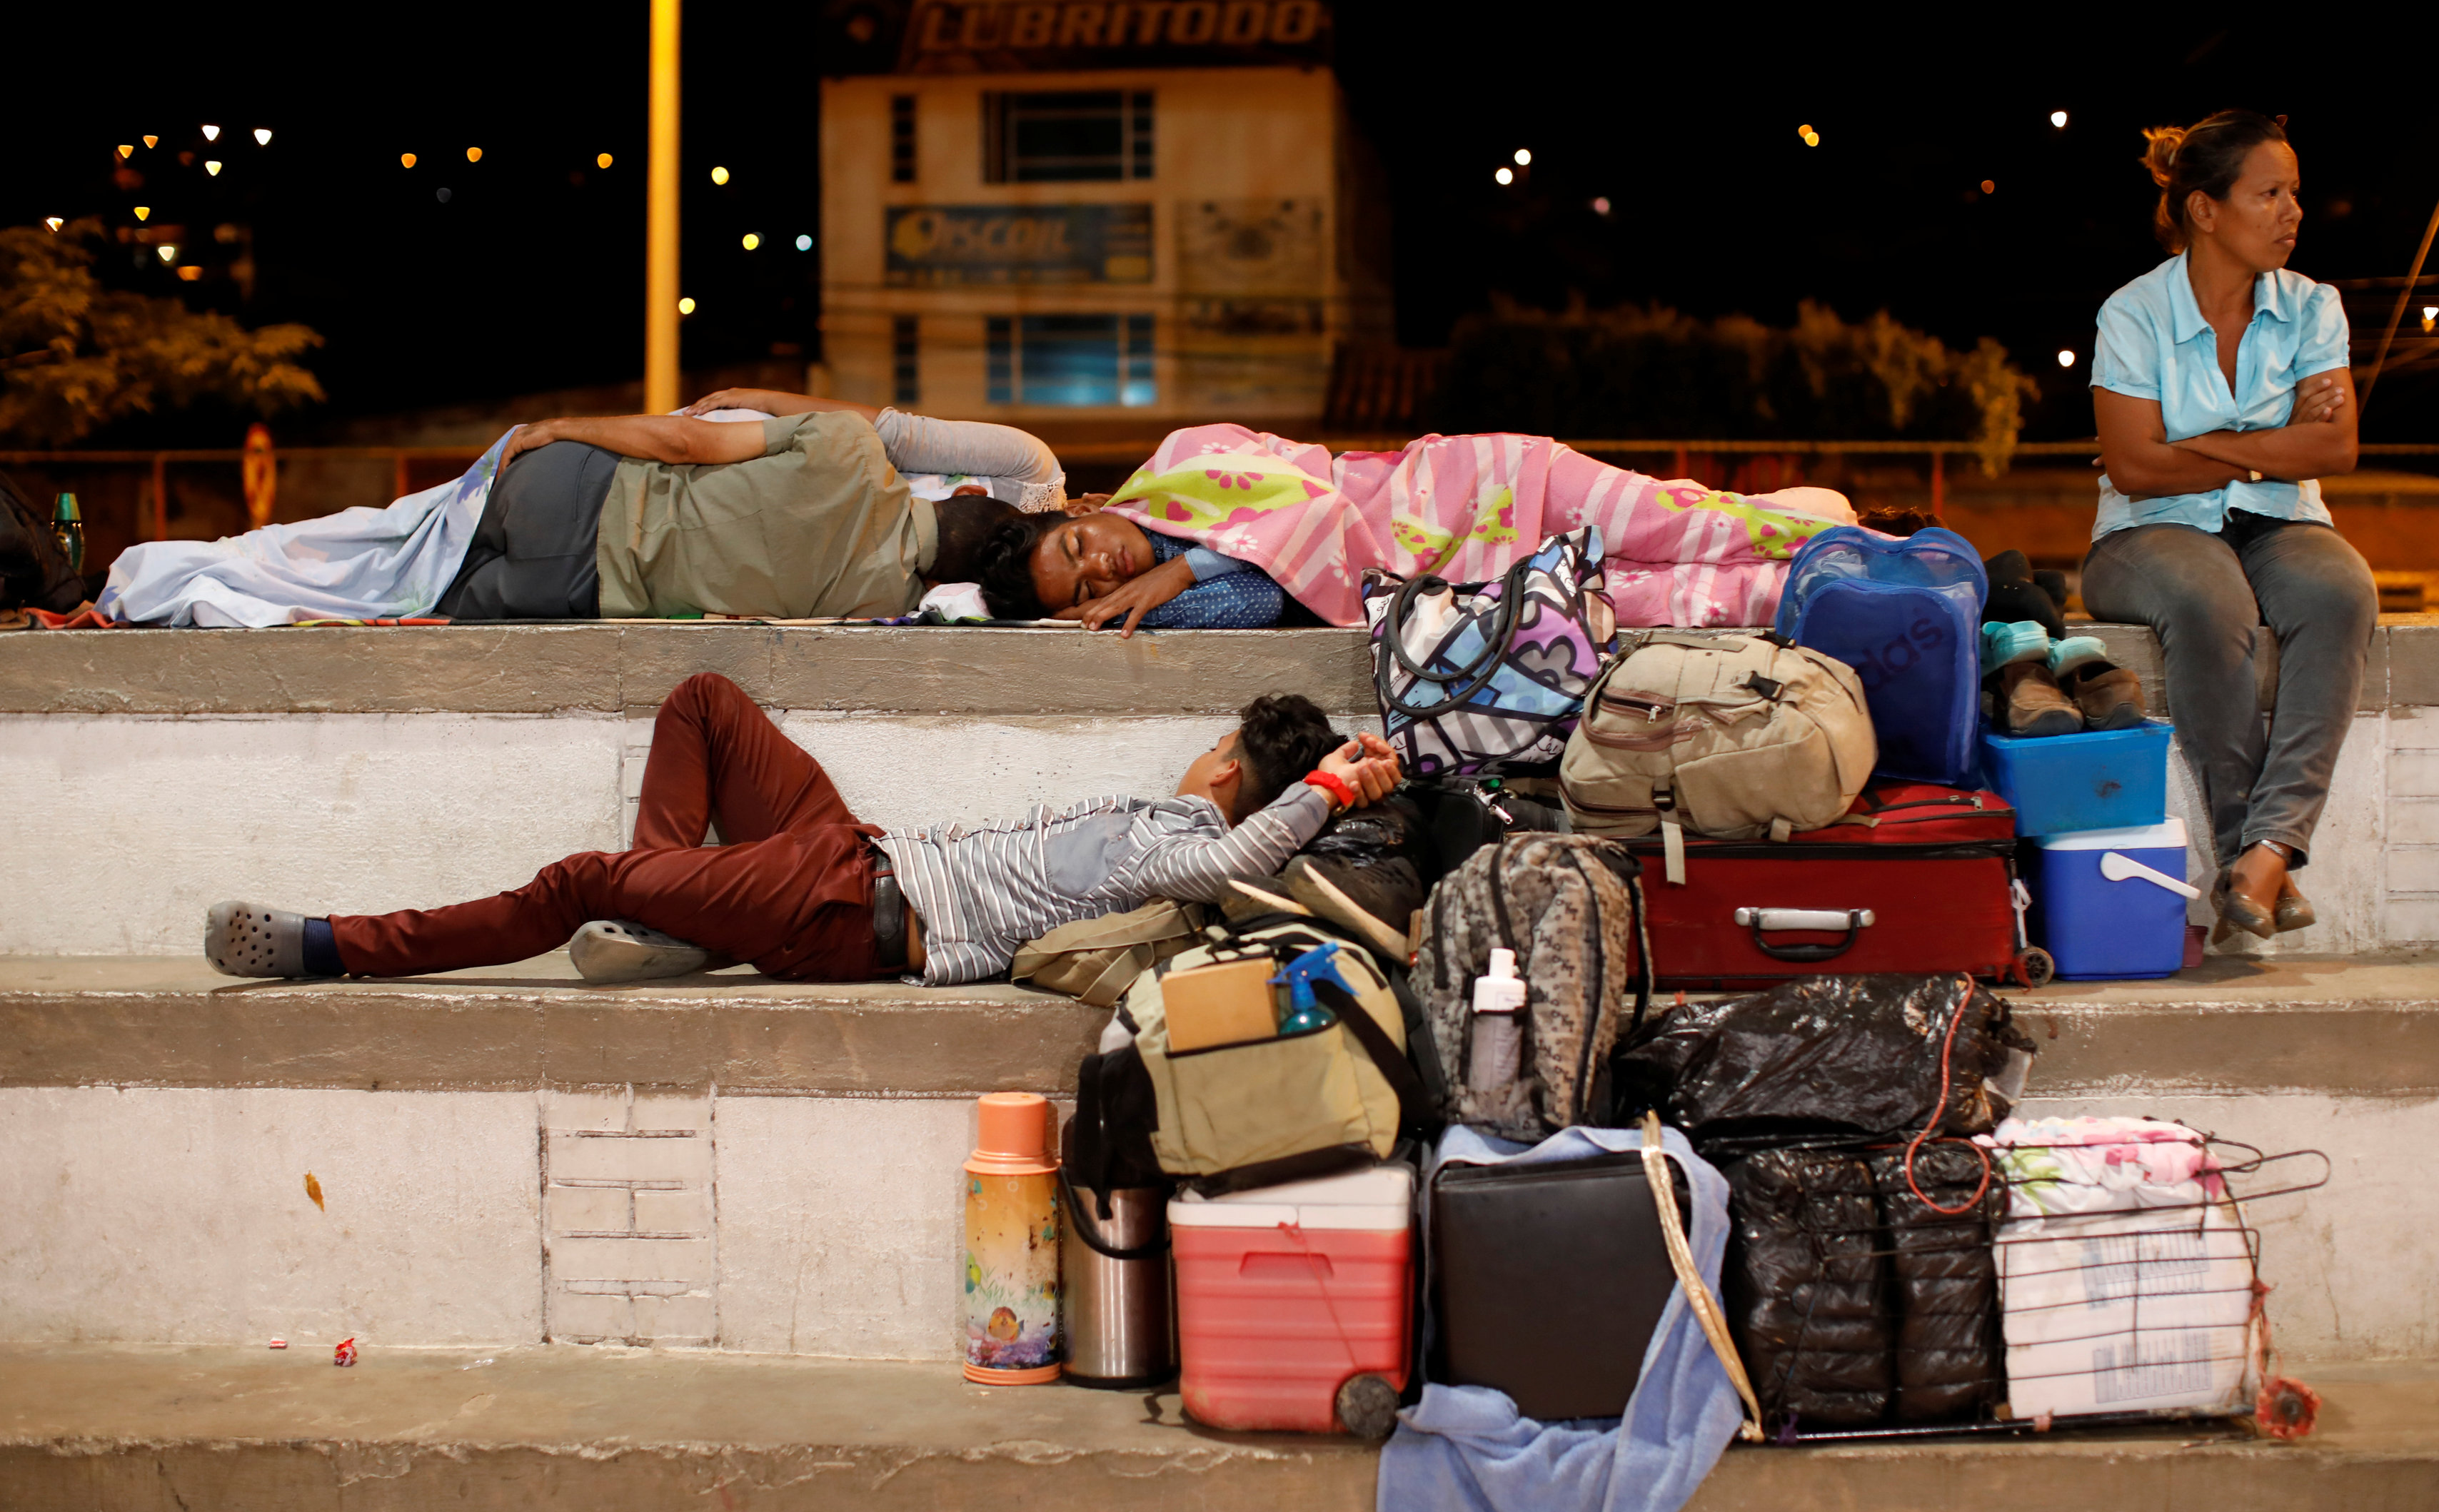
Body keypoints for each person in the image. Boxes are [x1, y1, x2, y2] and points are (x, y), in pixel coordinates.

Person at [201, 672, 1402, 985]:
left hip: (851, 912)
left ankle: (333, 943)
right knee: (706, 705)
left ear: (1232, 766)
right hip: (858, 853)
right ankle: (662, 903)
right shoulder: (1164, 819)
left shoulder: (1187, 835)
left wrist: (1334, 787)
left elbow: (1242, 854)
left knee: (575, 879)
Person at [2081, 111, 2370, 942]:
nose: (2292, 212)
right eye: (2267, 194)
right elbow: (2134, 470)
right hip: (2146, 530)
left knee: (2341, 590)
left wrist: (2195, 441)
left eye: (2293, 193)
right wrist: (2271, 440)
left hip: (2280, 520)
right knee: (2212, 603)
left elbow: (2337, 446)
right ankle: (2257, 852)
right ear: (2204, 210)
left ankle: (2269, 848)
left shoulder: (2314, 306)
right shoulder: (2131, 313)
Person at [98, 392, 1065, 626]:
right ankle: (196, 600)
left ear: (967, 495)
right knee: (385, 610)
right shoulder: (863, 609)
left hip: (574, 490)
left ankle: (171, 571)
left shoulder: (852, 448)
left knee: (373, 541)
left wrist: (563, 423)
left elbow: (685, 440)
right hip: (578, 590)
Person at [972, 425, 1854, 636]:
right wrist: (1171, 593)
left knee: (1693, 526)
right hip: (1481, 594)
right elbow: (1271, 594)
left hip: (1494, 488)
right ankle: (1863, 600)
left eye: (1077, 548)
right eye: (1086, 589)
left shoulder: (1181, 458)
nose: (1103, 566)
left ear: (1080, 513)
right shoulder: (1175, 599)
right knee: (1702, 601)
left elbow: (1310, 507)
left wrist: (1181, 566)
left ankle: (1882, 557)